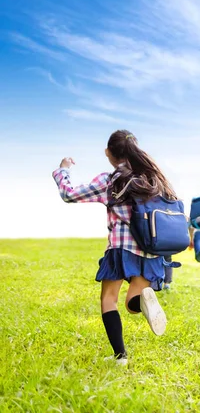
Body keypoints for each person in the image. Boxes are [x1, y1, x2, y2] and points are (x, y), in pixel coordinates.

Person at [52, 130, 177, 365]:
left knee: (109, 299)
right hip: (151, 250)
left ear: (108, 153)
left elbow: (69, 194)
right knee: (134, 303)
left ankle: (121, 357)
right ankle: (145, 299)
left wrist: (63, 169)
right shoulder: (153, 179)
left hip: (121, 248)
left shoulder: (109, 180)